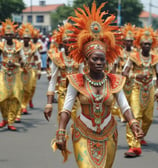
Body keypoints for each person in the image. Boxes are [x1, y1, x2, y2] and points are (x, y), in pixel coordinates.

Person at [44, 2, 144, 167]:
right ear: (86, 60)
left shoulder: (114, 80)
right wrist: (61, 131)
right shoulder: (76, 81)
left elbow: (124, 106)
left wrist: (133, 124)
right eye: (94, 59)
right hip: (82, 132)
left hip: (109, 133)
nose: (99, 62)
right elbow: (67, 109)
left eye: (102, 59)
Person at [123, 26, 158, 157]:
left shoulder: (155, 58)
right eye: (144, 44)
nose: (147, 46)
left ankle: (140, 134)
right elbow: (124, 72)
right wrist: (135, 76)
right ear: (140, 45)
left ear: (152, 45)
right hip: (136, 88)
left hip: (150, 89)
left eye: (149, 44)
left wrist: (157, 90)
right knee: (135, 116)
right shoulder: (133, 57)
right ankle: (134, 146)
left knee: (148, 118)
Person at [44, 22, 83, 122]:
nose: (68, 45)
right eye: (66, 42)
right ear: (62, 43)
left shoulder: (79, 57)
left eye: (71, 42)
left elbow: (83, 77)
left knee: (77, 120)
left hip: (77, 92)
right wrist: (49, 103)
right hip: (62, 92)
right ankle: (61, 137)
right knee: (62, 117)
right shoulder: (57, 58)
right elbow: (52, 81)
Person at [0, 19, 24, 131]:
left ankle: (10, 121)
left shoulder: (19, 46)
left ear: (14, 35)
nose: (8, 36)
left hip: (15, 74)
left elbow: (23, 61)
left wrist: (16, 63)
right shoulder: (1, 45)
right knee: (2, 97)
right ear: (3, 35)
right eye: (6, 35)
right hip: (4, 73)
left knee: (15, 97)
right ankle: (4, 118)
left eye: (10, 35)